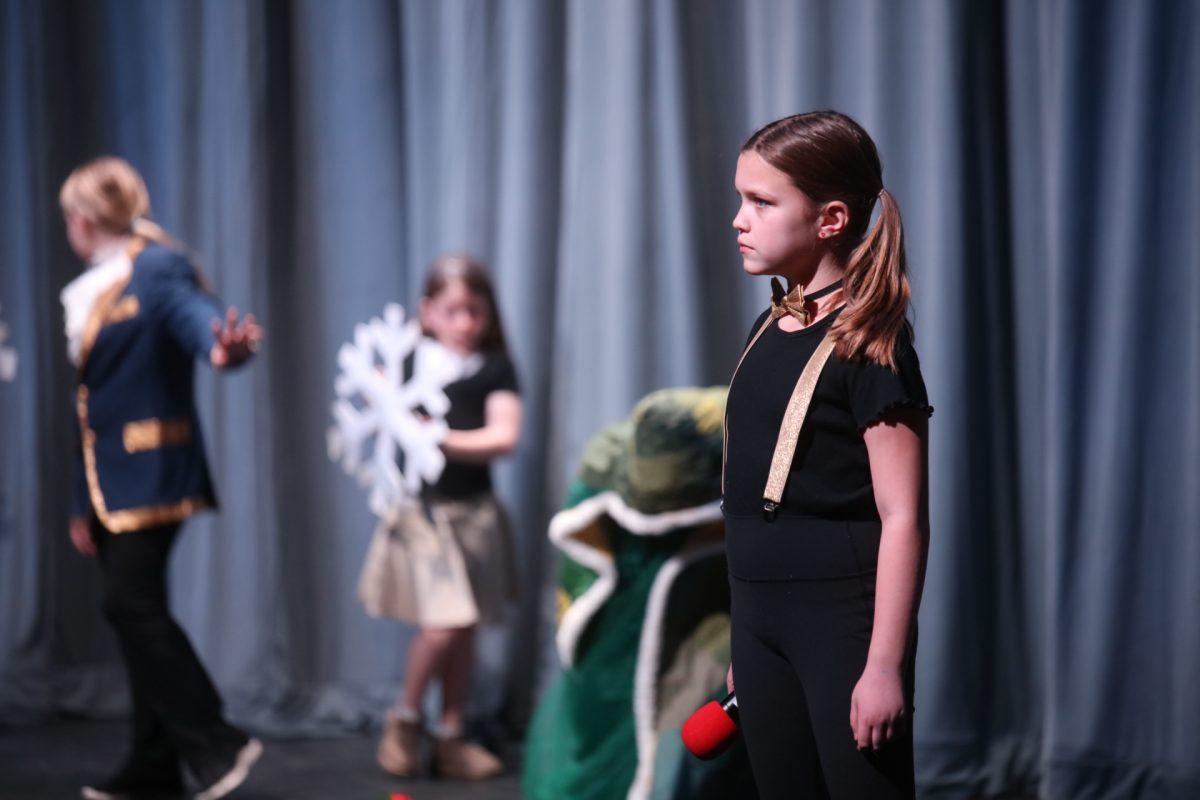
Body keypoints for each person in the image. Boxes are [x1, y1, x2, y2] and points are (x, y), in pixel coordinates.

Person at [722, 111, 932, 799]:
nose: (739, 220)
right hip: (759, 619)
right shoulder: (768, 326)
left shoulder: (871, 348)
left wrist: (884, 666)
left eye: (761, 202)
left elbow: (903, 516)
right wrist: (745, 637)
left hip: (840, 622)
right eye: (739, 199)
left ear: (830, 218)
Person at [59, 156, 264, 800]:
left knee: (129, 604)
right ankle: (152, 766)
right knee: (135, 615)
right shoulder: (96, 286)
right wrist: (80, 503)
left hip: (154, 471)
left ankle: (216, 739)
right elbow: (92, 406)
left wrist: (223, 347)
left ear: (83, 219)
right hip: (106, 482)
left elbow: (196, 316)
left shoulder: (156, 266)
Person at [371, 254, 521, 781]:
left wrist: (436, 438)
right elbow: (377, 409)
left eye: (474, 312)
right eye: (452, 311)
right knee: (444, 623)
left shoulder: (493, 368)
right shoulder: (407, 364)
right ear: (427, 312)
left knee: (465, 628)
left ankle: (450, 738)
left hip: (472, 514)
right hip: (424, 517)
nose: (464, 324)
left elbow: (504, 436)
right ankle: (405, 719)